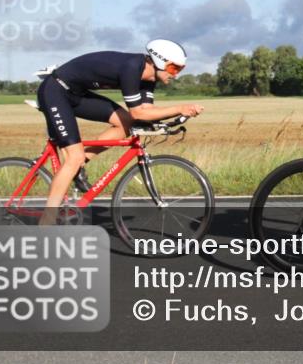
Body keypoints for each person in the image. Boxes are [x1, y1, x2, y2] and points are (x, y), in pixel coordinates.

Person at [37, 39, 203, 225]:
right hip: (55, 91)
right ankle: (46, 223)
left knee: (126, 123)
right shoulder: (131, 68)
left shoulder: (148, 79)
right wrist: (179, 108)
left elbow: (146, 112)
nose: (176, 75)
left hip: (77, 94)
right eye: (174, 68)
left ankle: (81, 162)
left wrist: (175, 118)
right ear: (159, 61)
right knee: (73, 157)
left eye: (180, 69)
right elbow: (138, 112)